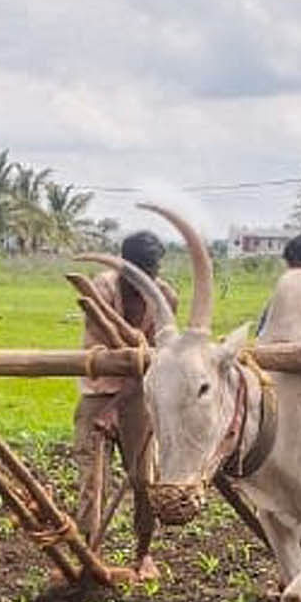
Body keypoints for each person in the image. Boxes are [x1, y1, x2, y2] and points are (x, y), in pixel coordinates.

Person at [75, 230, 178, 579]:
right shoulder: (100, 290)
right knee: (92, 478)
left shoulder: (165, 297)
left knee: (144, 479)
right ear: (122, 266)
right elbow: (112, 351)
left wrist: (117, 408)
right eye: (134, 273)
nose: (142, 281)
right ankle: (90, 551)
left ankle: (143, 554)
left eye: (148, 273)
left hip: (139, 396)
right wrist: (107, 406)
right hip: (98, 391)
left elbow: (152, 360)